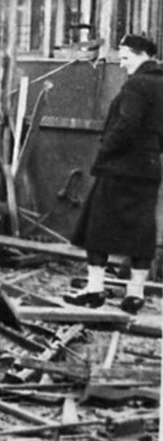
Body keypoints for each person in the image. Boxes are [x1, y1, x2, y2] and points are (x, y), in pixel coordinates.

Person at [64, 34, 163, 314]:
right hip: (149, 168)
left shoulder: (137, 85)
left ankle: (95, 290)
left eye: (125, 56)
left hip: (119, 168)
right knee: (142, 229)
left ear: (141, 54)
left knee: (96, 227)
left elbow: (127, 125)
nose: (121, 63)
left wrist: (105, 150)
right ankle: (135, 294)